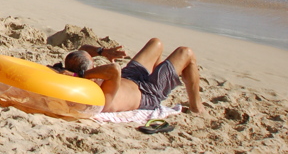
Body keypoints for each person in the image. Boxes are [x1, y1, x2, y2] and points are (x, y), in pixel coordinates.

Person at [61, 38, 206, 114]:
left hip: (129, 77)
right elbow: (114, 69)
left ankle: (161, 76)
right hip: (148, 92)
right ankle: (196, 108)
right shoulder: (95, 94)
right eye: (93, 64)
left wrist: (103, 52)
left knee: (156, 43)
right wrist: (80, 75)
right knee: (186, 53)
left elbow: (83, 49)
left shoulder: (85, 75)